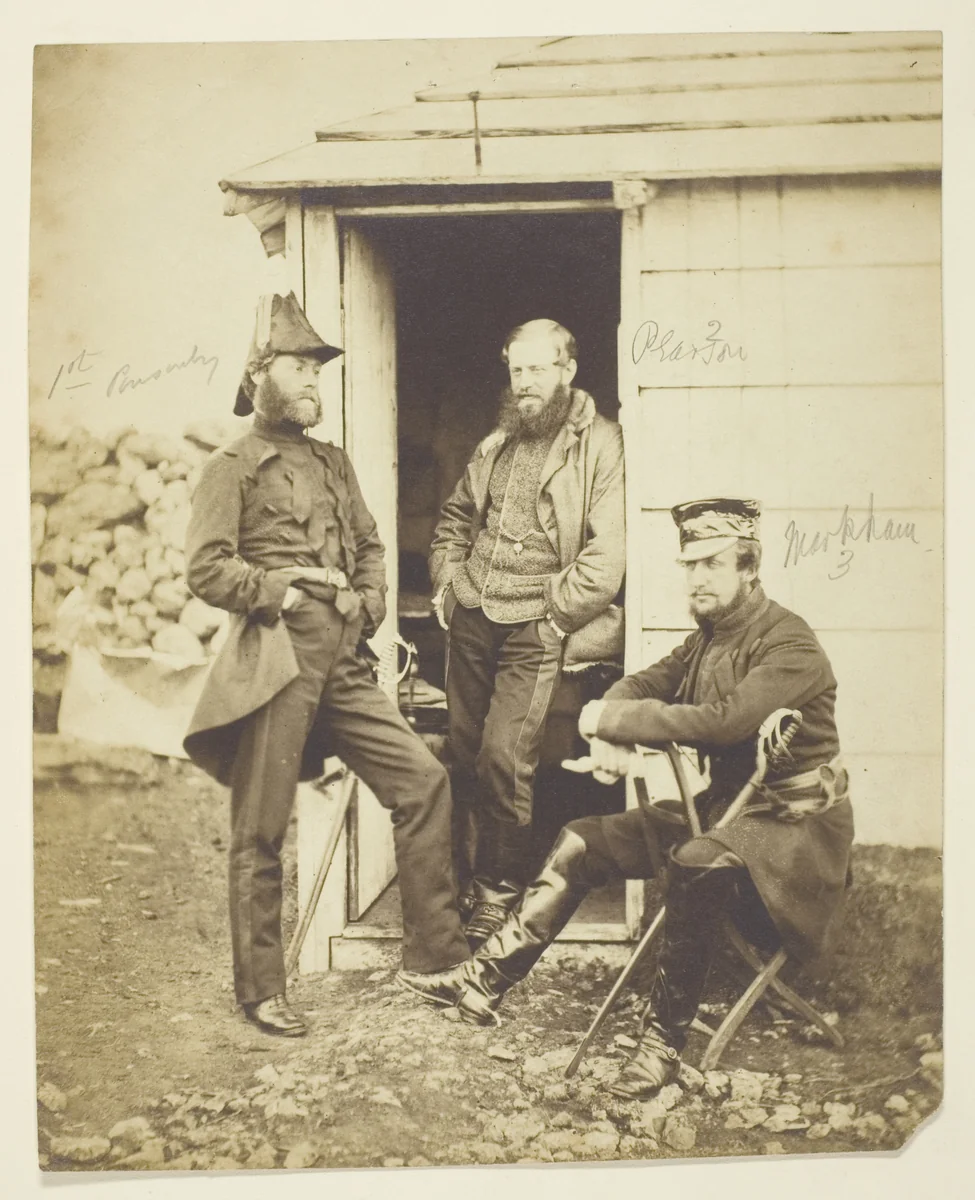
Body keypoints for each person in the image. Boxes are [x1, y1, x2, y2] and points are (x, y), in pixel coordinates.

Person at [419, 498, 854, 1099]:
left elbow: (725, 722)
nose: (696, 578)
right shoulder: (707, 639)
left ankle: (661, 1049)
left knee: (696, 862)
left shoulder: (790, 645)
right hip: (723, 814)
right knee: (581, 839)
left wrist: (618, 722)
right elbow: (644, 682)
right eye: (689, 565)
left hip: (791, 838)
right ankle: (484, 979)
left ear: (750, 567)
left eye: (713, 565)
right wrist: (606, 720)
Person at [183, 293, 471, 1037]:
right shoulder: (232, 465)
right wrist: (280, 588)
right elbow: (208, 570)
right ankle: (261, 988)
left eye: (318, 368)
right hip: (275, 660)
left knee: (423, 780)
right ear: (258, 375)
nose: (314, 380)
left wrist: (370, 600)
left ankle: (433, 959)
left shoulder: (334, 462)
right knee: (261, 829)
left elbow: (371, 545)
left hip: (343, 659)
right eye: (299, 366)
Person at [429, 319, 626, 949]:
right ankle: (461, 882)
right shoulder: (498, 441)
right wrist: (448, 583)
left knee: (504, 756)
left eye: (539, 369)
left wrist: (553, 612)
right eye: (517, 371)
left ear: (568, 370)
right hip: (473, 613)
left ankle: (499, 891)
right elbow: (456, 518)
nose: (525, 384)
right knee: (461, 752)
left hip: (537, 624)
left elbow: (607, 557)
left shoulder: (600, 444)